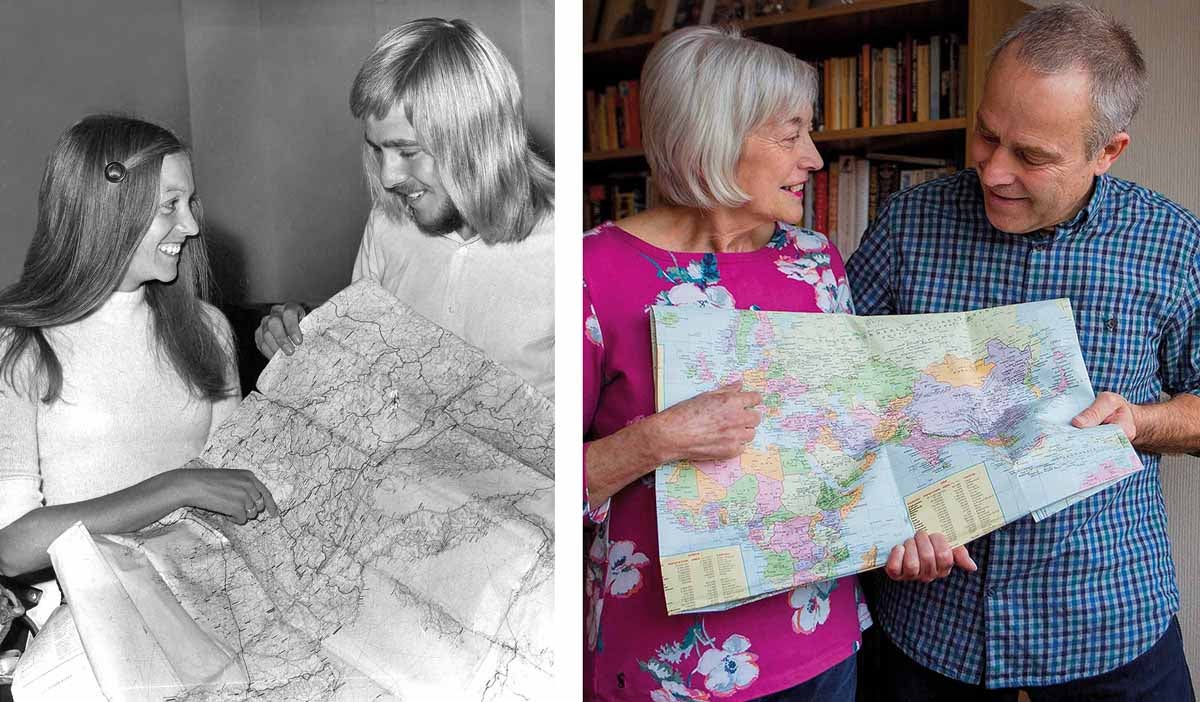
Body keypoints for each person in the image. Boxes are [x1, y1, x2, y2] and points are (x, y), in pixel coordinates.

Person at [583, 25, 967, 702]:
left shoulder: (815, 260)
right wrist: (657, 440)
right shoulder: (589, 273)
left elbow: (854, 437)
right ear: (715, 134)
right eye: (790, 136)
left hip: (819, 638)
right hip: (664, 661)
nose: (814, 158)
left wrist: (906, 526)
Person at [847, 3, 1200, 699]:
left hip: (1107, 627)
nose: (993, 171)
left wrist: (1142, 421)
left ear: (1108, 152)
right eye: (986, 134)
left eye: (1032, 156)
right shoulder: (907, 222)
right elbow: (836, 394)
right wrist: (885, 513)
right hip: (929, 632)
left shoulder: (1174, 242)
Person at [0, 115, 278, 623]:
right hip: (89, 627)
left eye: (190, 202)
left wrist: (301, 369)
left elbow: (235, 486)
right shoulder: (21, 345)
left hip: (206, 607)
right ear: (108, 212)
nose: (191, 226)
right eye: (169, 206)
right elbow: (14, 545)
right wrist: (177, 486)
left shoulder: (208, 329)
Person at [255, 18, 555, 400]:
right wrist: (301, 332)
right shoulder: (385, 225)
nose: (387, 177)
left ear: (476, 139)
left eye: (408, 151)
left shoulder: (565, 240)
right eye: (377, 149)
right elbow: (359, 374)